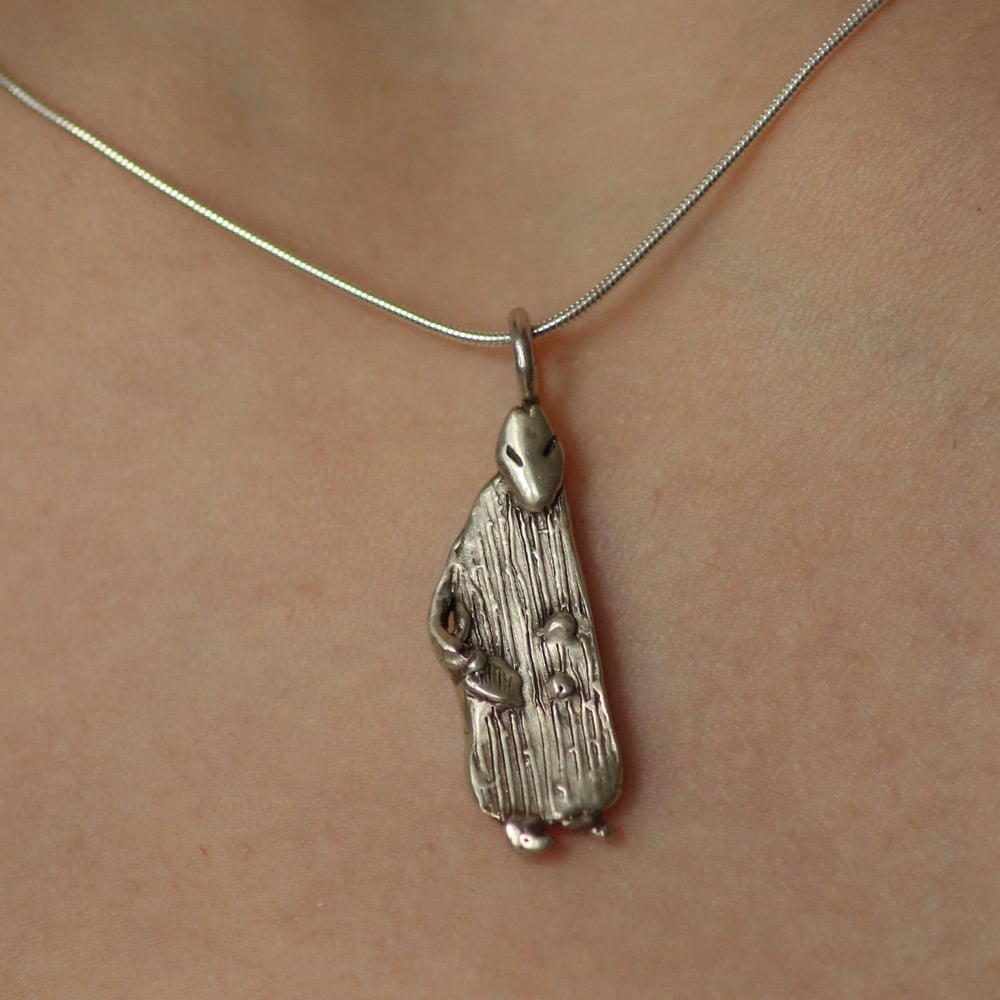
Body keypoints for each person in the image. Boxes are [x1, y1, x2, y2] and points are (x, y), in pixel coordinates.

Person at [1, 2, 997, 996]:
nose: (540, 479)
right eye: (529, 465)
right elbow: (449, 603)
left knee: (578, 721)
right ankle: (527, 810)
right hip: (509, 684)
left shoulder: (549, 518)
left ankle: (581, 801)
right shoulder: (490, 522)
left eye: (545, 464)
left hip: (558, 672)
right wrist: (467, 658)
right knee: (518, 734)